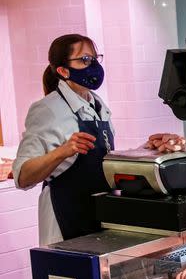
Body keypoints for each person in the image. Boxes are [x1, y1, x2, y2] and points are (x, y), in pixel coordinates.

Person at [12, 34, 114, 245]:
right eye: (84, 60)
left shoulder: (98, 105)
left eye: (95, 58)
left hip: (100, 217)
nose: (93, 65)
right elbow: (22, 176)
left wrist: (147, 151)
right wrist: (63, 151)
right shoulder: (48, 109)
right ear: (63, 70)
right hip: (66, 220)